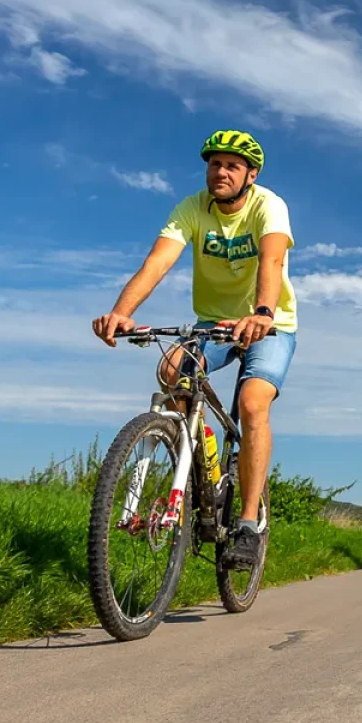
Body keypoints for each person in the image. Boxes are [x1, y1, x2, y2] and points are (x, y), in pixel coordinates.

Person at [92, 130, 296, 570]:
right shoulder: (191, 208)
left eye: (232, 166)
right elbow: (158, 262)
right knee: (172, 371)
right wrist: (121, 312)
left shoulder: (269, 205)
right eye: (214, 164)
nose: (220, 172)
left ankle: (246, 525)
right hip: (213, 323)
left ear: (251, 175)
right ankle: (200, 460)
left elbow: (272, 260)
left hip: (269, 324)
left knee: (251, 402)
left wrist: (262, 311)